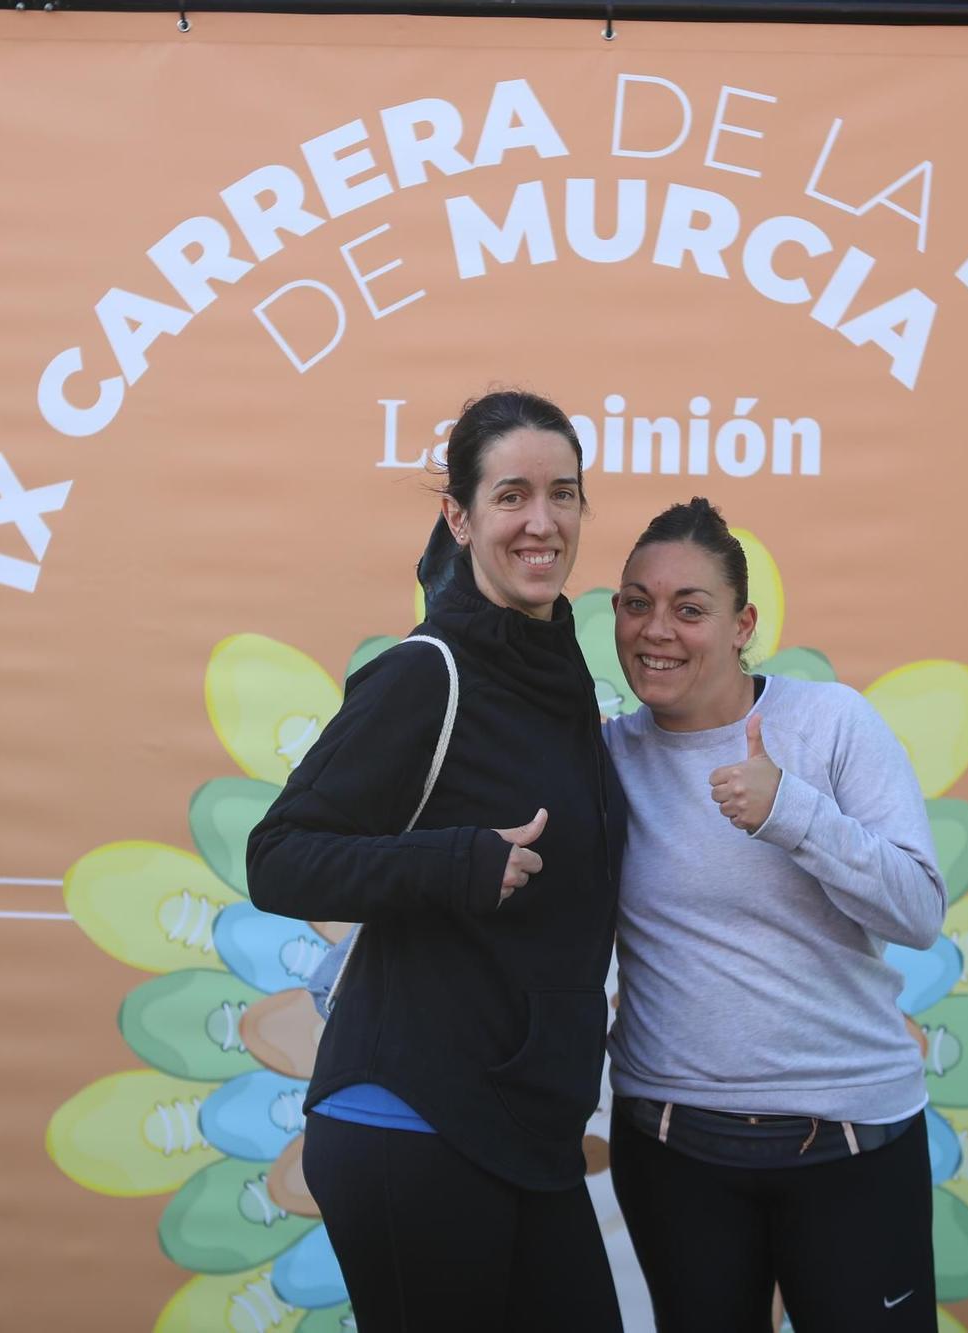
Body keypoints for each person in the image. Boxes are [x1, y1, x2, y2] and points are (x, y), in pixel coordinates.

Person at [245, 390, 627, 1333]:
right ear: (459, 516)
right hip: (409, 1121)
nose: (542, 522)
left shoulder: (555, 665)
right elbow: (279, 857)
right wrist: (451, 863)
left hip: (522, 1127)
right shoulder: (430, 670)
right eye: (511, 496)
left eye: (564, 494)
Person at [602, 497, 945, 1333]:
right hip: (672, 1145)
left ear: (742, 622)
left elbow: (919, 909)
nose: (656, 629)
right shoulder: (608, 757)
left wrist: (791, 810)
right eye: (636, 603)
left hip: (852, 1139)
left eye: (690, 609)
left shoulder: (829, 722)